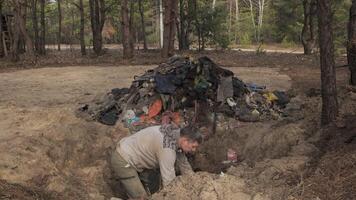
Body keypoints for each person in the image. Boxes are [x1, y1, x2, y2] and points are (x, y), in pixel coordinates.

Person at [111, 124, 202, 199]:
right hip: (124, 160)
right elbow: (169, 182)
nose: (194, 150)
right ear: (185, 141)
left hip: (136, 154)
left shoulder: (175, 133)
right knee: (141, 198)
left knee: (154, 187)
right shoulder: (167, 149)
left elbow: (183, 163)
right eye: (193, 146)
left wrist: (194, 182)